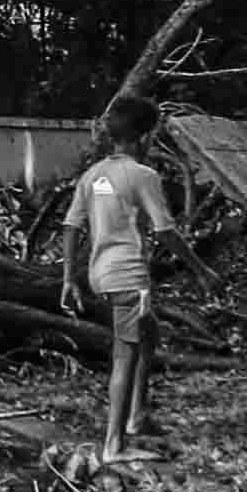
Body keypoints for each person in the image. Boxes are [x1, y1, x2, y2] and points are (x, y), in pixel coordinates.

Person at [58, 94, 180, 464]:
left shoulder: (94, 176)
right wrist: (201, 268)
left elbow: (70, 226)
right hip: (128, 276)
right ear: (144, 136)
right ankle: (115, 444)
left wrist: (68, 278)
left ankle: (137, 416)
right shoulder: (143, 176)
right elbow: (165, 231)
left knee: (149, 335)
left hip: (100, 273)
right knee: (124, 355)